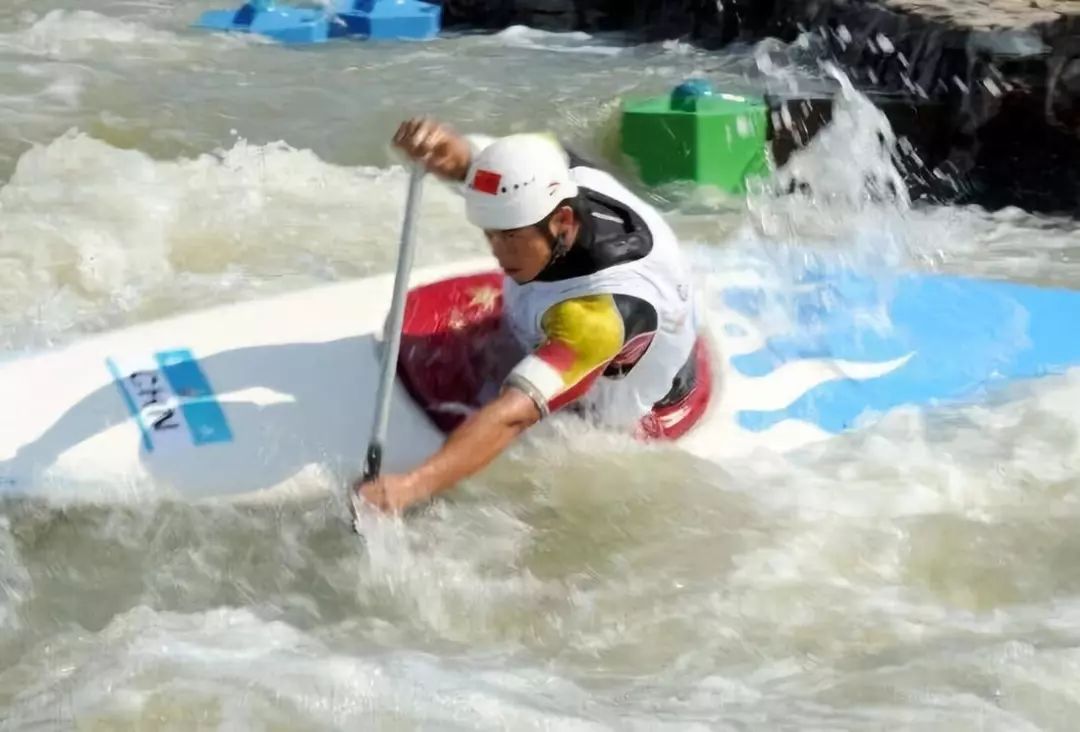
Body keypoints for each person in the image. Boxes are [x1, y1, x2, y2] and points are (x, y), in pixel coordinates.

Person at [354, 117, 711, 513]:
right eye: (491, 234)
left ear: (562, 223)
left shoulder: (598, 313)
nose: (498, 253)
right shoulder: (555, 169)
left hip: (618, 407)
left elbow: (512, 417)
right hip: (586, 325)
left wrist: (409, 487)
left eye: (510, 238)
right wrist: (455, 154)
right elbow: (500, 171)